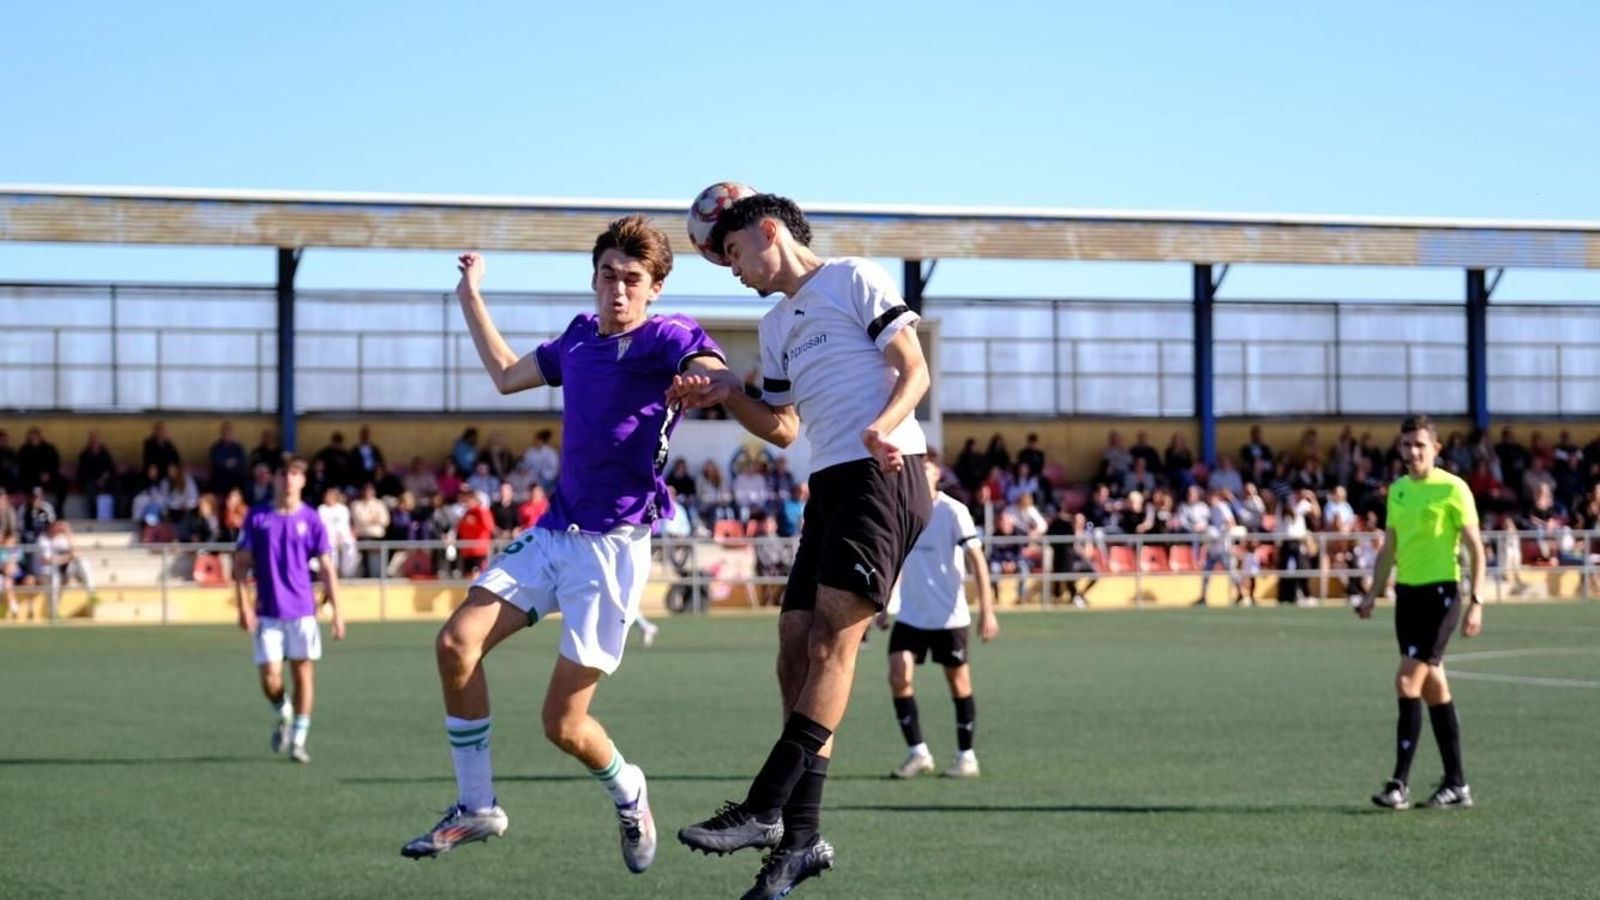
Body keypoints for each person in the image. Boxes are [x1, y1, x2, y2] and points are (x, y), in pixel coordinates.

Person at [399, 216, 727, 877]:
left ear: (655, 288)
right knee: (455, 644)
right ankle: (476, 805)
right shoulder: (578, 337)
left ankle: (629, 790)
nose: (618, 289)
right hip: (554, 531)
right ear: (593, 278)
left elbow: (716, 373)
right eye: (608, 275)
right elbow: (504, 375)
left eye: (632, 279)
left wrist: (704, 382)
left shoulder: (668, 336)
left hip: (613, 549)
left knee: (563, 725)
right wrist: (470, 296)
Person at [671, 190, 932, 898]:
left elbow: (915, 369)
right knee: (794, 644)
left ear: (769, 232)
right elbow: (784, 428)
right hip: (830, 484)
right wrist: (730, 392)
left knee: (830, 647)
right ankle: (803, 840)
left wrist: (882, 426)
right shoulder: (775, 324)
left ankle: (765, 808)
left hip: (884, 473)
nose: (733, 270)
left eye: (732, 253)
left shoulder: (853, 277)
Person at [1357, 415, 1486, 811]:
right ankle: (1457, 784)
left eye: (1420, 445)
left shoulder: (1453, 488)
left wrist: (1477, 601)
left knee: (1406, 681)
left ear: (1436, 449)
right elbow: (1389, 548)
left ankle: (1399, 783)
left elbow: (1476, 549)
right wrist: (1372, 593)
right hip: (1408, 597)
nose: (1412, 452)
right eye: (1406, 445)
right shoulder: (1398, 491)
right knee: (1434, 688)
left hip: (1442, 596)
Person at [883, 456, 998, 780]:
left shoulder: (953, 511)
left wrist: (987, 610)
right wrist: (886, 603)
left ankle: (966, 757)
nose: (919, 470)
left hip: (949, 617)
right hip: (911, 614)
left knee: (959, 683)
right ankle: (918, 752)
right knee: (898, 675)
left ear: (937, 473)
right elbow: (897, 560)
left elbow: (977, 560)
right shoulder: (903, 508)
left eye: (926, 466)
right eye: (914, 465)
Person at [233, 459, 346, 764]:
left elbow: (327, 568)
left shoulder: (312, 519)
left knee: (303, 674)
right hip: (267, 611)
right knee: (270, 678)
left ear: (303, 480)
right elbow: (240, 565)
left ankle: (298, 740)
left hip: (303, 611)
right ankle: (283, 711)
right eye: (283, 473)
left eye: (294, 474)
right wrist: (243, 605)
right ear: (274, 478)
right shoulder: (257, 516)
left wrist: (338, 612)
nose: (288, 479)